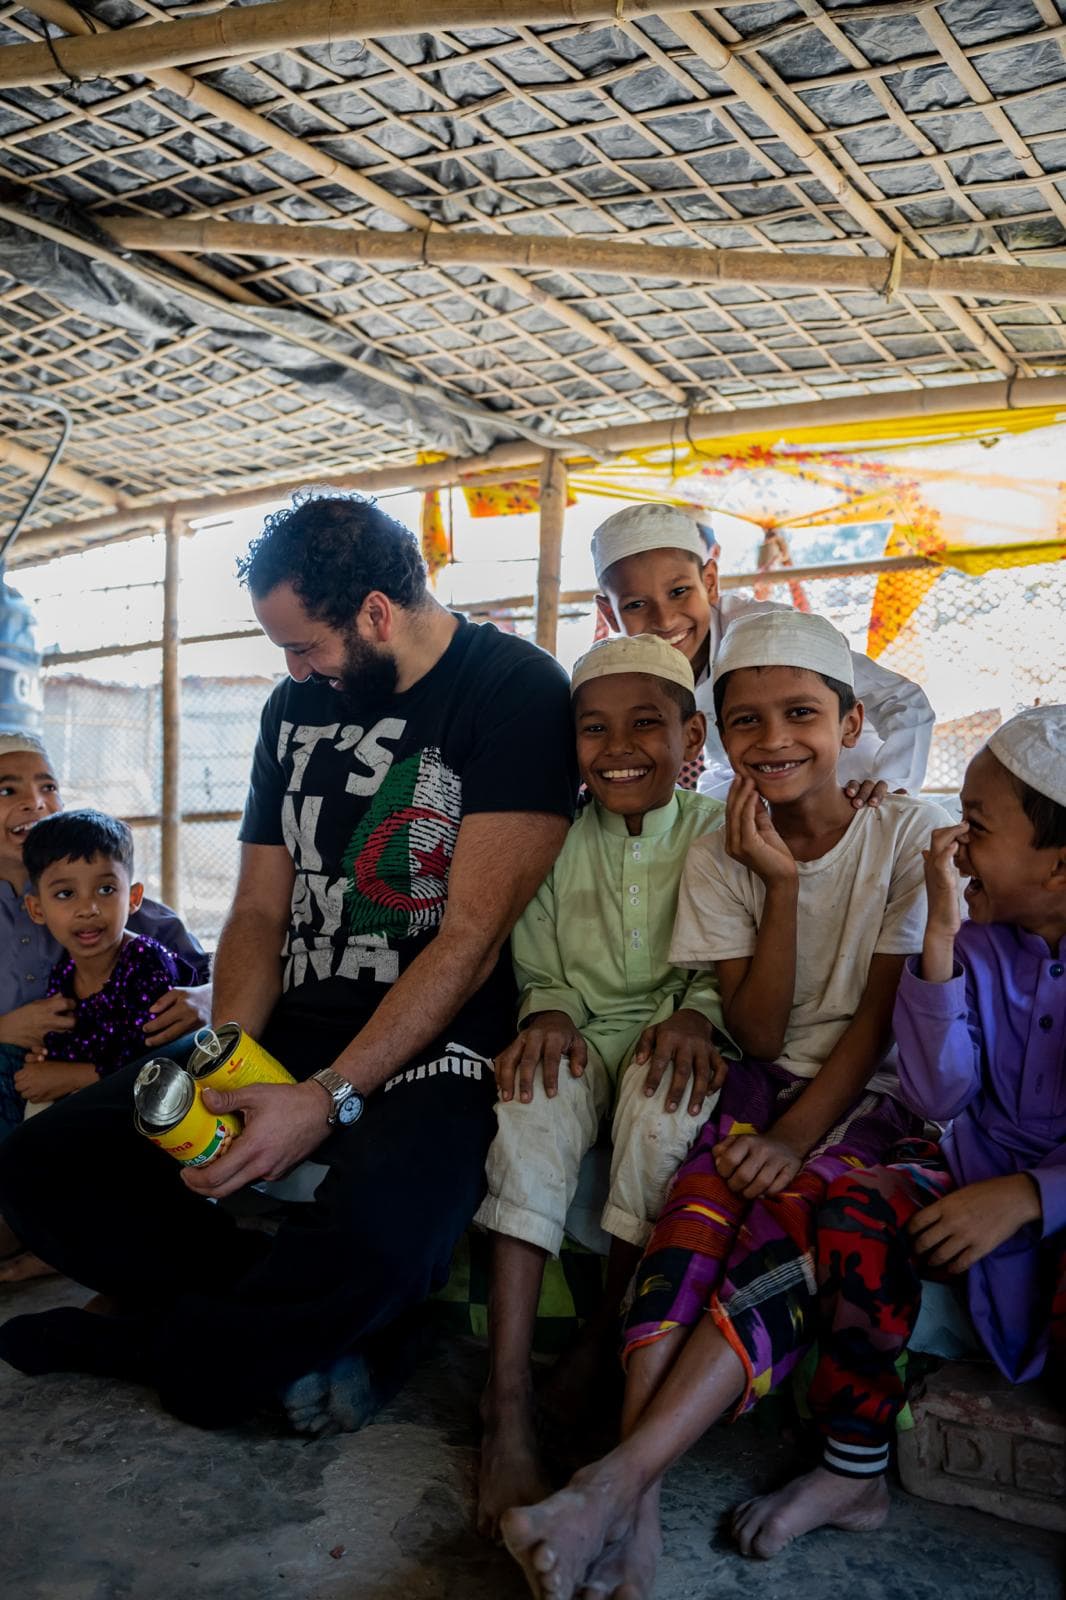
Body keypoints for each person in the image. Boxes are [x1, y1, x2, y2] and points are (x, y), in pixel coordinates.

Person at [0, 491, 576, 1435]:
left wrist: (325, 1099)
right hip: (294, 1020)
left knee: (388, 1235)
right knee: (44, 1164)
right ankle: (291, 1335)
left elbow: (470, 939)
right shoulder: (294, 705)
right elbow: (261, 909)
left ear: (377, 614)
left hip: (439, 1039)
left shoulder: (512, 688)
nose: (294, 670)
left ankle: (157, 1347)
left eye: (305, 647)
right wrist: (229, 1056)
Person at [499, 608, 950, 1600]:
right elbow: (757, 1033)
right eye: (749, 720)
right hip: (766, 1075)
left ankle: (617, 1485)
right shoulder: (724, 850)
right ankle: (638, 1499)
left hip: (870, 1098)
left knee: (781, 1220)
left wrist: (791, 1139)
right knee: (692, 1214)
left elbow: (876, 1022)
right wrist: (779, 886)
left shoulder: (904, 831)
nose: (774, 738)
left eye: (801, 714)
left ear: (850, 722)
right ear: (724, 737)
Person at [730, 704, 1066, 1559]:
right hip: (970, 1157)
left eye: (977, 827)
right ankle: (854, 1471)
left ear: (1059, 868)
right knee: (856, 1208)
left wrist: (1030, 1195)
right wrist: (942, 938)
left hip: (1044, 1187)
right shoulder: (977, 939)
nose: (953, 843)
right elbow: (938, 1091)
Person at [476, 634, 730, 1536]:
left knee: (666, 1112)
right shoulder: (553, 837)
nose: (619, 747)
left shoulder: (717, 832)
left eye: (646, 724)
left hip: (675, 1029)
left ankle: (598, 1346)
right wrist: (545, 1012)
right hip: (579, 1026)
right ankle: (507, 1398)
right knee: (530, 1104)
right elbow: (538, 961)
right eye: (594, 729)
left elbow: (727, 957)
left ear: (691, 736)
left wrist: (699, 1012)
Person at [0, 733, 209, 1284]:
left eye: (48, 786)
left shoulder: (135, 936)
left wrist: (208, 997)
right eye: (7, 789)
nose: (34, 802)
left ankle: (62, 1240)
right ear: (38, 908)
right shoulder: (71, 937)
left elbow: (195, 987)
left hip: (119, 1087)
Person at [591, 501, 935, 803]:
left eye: (679, 591)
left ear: (709, 582)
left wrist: (891, 787)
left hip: (848, 790)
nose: (665, 620)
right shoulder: (627, 671)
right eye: (635, 604)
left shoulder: (774, 633)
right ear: (610, 614)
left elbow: (905, 700)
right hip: (754, 788)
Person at [6, 809, 182, 1106]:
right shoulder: (64, 972)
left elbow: (162, 1062)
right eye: (65, 894)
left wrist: (70, 1076)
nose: (88, 909)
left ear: (133, 898)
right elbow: (68, 1042)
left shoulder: (146, 963)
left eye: (106, 889)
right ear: (37, 909)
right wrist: (47, 1059)